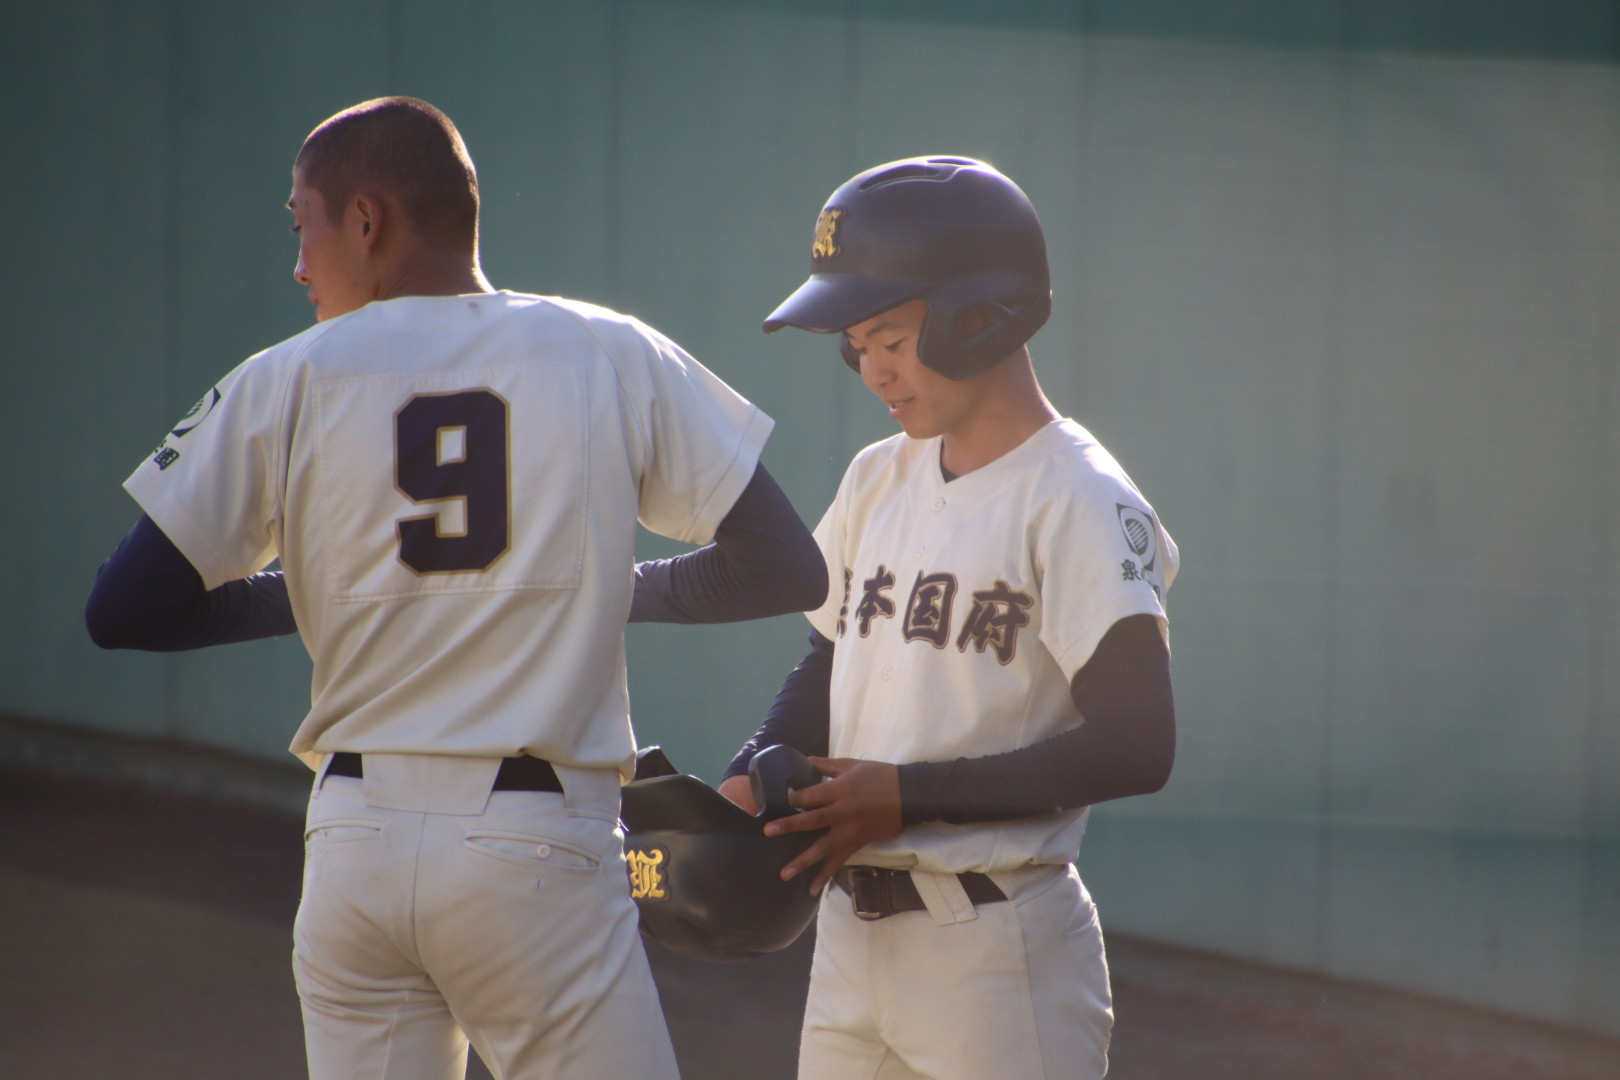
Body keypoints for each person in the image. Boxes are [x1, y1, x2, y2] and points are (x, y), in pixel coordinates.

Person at [84, 96, 826, 1080]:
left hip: (352, 848)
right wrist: (587, 587)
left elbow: (125, 610)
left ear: (366, 219)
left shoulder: (283, 378)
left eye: (303, 224)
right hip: (532, 852)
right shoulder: (607, 346)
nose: (300, 265)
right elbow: (786, 566)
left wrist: (315, 594)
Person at [717, 156, 1180, 1080]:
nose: (872, 369)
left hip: (997, 950)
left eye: (889, 335)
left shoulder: (1081, 498)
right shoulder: (876, 475)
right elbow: (827, 658)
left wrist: (906, 794)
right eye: (857, 345)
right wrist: (748, 775)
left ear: (983, 314)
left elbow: (1139, 743)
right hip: (852, 940)